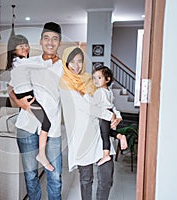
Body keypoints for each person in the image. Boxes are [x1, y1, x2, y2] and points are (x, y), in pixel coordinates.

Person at [59, 46, 122, 200]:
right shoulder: (64, 84)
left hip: (100, 134)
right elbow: (85, 107)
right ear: (66, 63)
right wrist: (110, 116)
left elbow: (105, 101)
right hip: (82, 137)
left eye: (79, 61)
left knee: (106, 179)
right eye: (72, 62)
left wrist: (117, 115)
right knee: (86, 179)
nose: (76, 66)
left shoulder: (90, 79)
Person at [9, 22, 63, 200]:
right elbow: (11, 89)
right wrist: (20, 103)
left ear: (59, 42)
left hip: (52, 128)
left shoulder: (65, 68)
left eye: (54, 39)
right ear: (40, 41)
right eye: (46, 38)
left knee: (54, 176)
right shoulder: (28, 63)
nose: (50, 42)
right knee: (30, 175)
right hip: (27, 126)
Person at [7, 34, 54, 171]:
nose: (25, 48)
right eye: (20, 46)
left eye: (26, 45)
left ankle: (41, 154)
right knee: (46, 123)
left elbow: (11, 85)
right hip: (27, 98)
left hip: (27, 96)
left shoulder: (19, 64)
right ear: (13, 49)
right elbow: (42, 63)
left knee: (45, 123)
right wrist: (53, 59)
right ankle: (41, 155)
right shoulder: (21, 62)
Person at [92, 66, 128, 166]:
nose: (96, 80)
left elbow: (92, 105)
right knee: (108, 132)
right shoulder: (109, 92)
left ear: (107, 79)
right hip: (109, 112)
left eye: (99, 78)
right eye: (94, 78)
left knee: (105, 136)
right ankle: (120, 136)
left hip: (104, 116)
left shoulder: (99, 92)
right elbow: (112, 106)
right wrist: (116, 115)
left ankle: (105, 155)